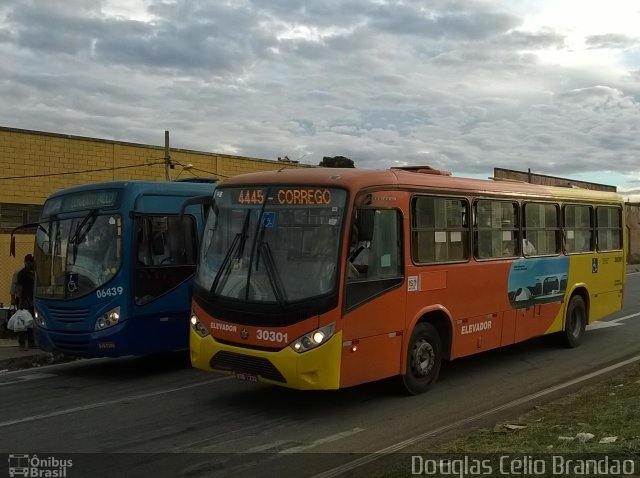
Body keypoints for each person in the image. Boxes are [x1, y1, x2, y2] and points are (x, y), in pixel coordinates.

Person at [15, 253, 36, 350]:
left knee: (31, 322)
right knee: (22, 323)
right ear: (27, 262)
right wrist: (20, 303)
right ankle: (22, 344)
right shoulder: (22, 273)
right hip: (24, 301)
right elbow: (20, 288)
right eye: (31, 262)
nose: (32, 264)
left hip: (31, 301)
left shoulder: (33, 273)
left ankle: (31, 342)